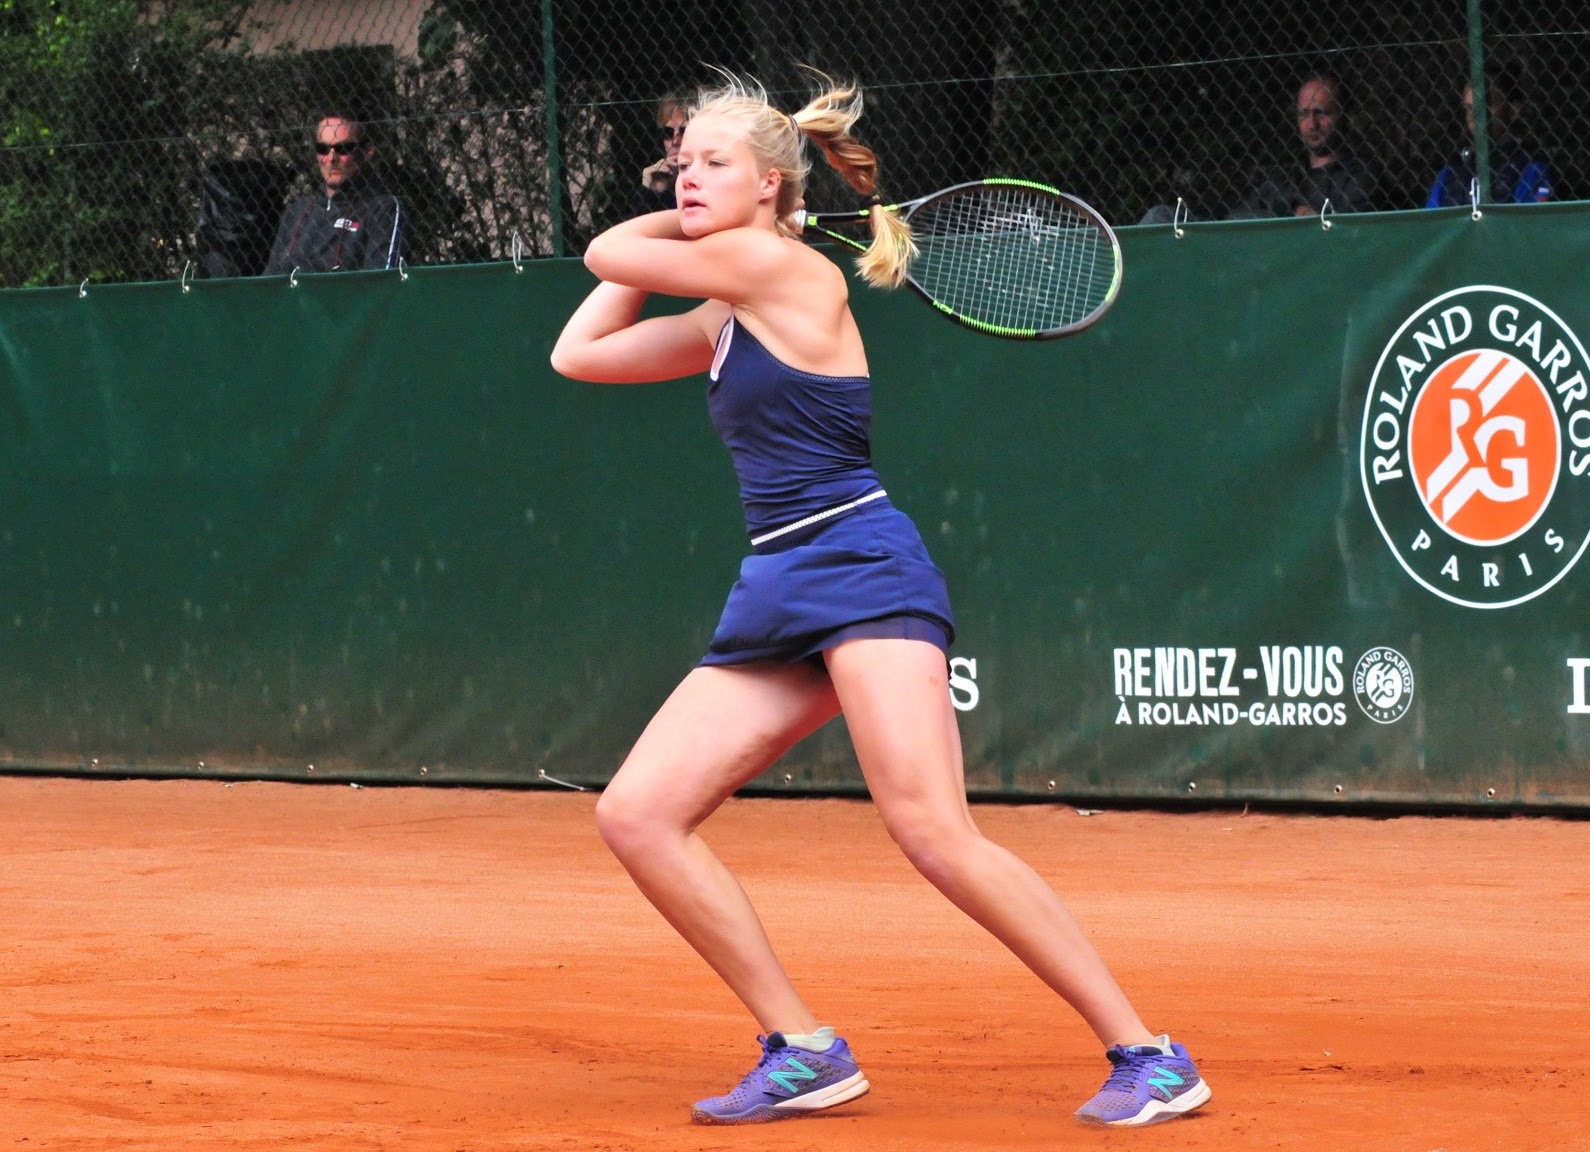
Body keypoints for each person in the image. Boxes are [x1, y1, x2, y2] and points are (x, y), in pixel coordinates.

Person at [549, 71, 1210, 1129]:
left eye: (708, 161)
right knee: (637, 814)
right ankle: (801, 1047)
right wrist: (692, 203)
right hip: (775, 583)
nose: (683, 176)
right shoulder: (729, 305)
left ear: (771, 184)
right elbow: (576, 353)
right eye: (677, 163)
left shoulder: (786, 269)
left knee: (930, 831)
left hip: (858, 568)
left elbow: (605, 256)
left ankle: (1148, 1051)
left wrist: (684, 218)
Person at [260, 113, 406, 274]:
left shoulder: (381, 208)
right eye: (322, 149)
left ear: (367, 151)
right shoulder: (296, 211)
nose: (331, 158)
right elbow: (270, 280)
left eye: (343, 149)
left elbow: (380, 282)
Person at [1231, 73, 1380, 218]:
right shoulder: (1286, 180)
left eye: (1321, 113)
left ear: (1343, 115)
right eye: (1304, 114)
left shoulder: (1360, 178)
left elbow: (1347, 235)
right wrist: (1292, 211)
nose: (1312, 124)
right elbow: (1235, 219)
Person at [1425, 72, 1554, 207]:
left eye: (1484, 106)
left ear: (1513, 110)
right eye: (1469, 108)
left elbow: (1528, 224)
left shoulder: (1529, 166)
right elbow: (1430, 223)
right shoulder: (1453, 171)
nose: (1474, 115)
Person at [627, 93, 691, 217]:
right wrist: (649, 190)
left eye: (684, 131)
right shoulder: (663, 182)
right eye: (667, 133)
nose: (674, 141)